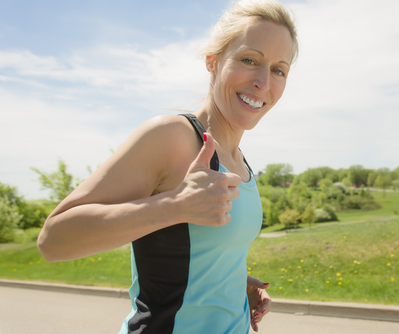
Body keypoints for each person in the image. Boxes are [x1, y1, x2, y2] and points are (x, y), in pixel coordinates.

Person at [37, 0, 298, 332]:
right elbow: (53, 240)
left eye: (279, 69)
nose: (263, 81)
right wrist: (174, 206)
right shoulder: (172, 136)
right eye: (249, 60)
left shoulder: (240, 160)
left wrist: (229, 281)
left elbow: (188, 250)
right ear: (213, 62)